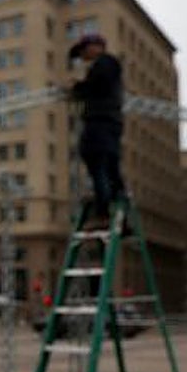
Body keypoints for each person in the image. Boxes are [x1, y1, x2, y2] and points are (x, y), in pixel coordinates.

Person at [68, 33, 125, 229]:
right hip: (109, 122)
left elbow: (95, 86)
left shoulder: (105, 63)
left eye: (84, 50)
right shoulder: (108, 66)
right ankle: (120, 213)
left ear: (95, 47)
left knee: (95, 159)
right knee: (110, 166)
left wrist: (78, 87)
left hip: (100, 121)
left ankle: (103, 213)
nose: (83, 56)